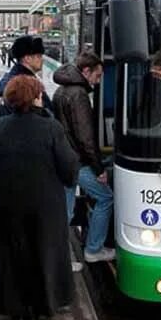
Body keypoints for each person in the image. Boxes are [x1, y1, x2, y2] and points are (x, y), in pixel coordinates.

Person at [0, 75, 79, 320]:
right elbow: (70, 171)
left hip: (7, 205)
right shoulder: (51, 128)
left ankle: (16, 309)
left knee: (13, 257)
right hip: (44, 207)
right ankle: (42, 306)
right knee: (43, 255)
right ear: (36, 97)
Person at [52, 52, 115, 263]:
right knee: (105, 198)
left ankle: (62, 257)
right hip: (76, 162)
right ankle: (93, 249)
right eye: (97, 76)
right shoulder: (78, 95)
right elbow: (85, 137)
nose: (98, 82)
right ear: (86, 71)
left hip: (64, 158)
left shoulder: (62, 90)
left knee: (65, 211)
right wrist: (98, 170)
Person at [0, 35, 52, 116]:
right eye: (38, 56)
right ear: (27, 58)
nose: (42, 59)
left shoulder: (12, 82)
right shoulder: (27, 86)